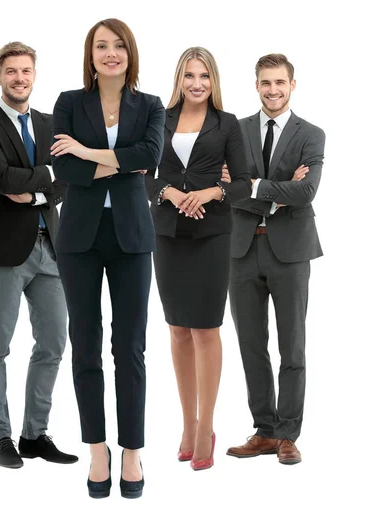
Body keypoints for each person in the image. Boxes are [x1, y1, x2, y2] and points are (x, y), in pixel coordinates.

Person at [51, 18, 164, 499]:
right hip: (78, 236)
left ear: (130, 52)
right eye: (101, 45)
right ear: (90, 54)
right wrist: (112, 160)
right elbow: (63, 165)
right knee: (86, 345)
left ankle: (132, 450)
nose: (110, 52)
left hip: (132, 237)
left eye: (118, 45)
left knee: (131, 347)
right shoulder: (68, 102)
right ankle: (98, 449)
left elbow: (150, 155)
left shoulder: (152, 104)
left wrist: (88, 152)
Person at [0, 42, 77, 470]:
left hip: (52, 248)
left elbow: (69, 179)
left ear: (35, 74)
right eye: (11, 71)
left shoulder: (53, 124)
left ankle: (34, 434)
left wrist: (32, 189)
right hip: (6, 252)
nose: (19, 78)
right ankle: (0, 438)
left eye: (26, 71)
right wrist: (47, 177)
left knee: (52, 343)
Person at [145, 47, 251, 471]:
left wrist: (211, 192)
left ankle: (207, 423)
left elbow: (242, 182)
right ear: (179, 78)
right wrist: (168, 193)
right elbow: (140, 174)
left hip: (211, 234)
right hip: (167, 234)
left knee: (205, 329)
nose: (196, 83)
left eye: (204, 75)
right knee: (176, 330)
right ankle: (187, 424)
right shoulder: (158, 118)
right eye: (189, 75)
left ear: (214, 80)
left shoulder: (228, 125)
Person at [224, 53, 325, 465]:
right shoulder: (235, 130)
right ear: (256, 85)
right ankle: (264, 431)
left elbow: (307, 193)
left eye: (279, 82)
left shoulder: (311, 134)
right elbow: (225, 188)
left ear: (292, 85)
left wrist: (252, 186)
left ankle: (287, 435)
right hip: (240, 250)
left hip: (291, 253)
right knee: (251, 346)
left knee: (292, 347)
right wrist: (274, 195)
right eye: (265, 83)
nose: (273, 90)